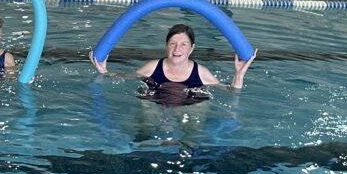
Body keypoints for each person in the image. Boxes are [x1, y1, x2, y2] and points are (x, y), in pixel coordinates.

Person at [90, 23, 255, 101]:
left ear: (191, 48)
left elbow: (231, 93)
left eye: (184, 44)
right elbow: (124, 78)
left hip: (191, 106)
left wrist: (239, 75)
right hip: (156, 103)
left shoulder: (202, 72)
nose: (177, 49)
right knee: (147, 123)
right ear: (166, 47)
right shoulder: (153, 66)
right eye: (173, 44)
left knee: (194, 129)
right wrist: (104, 72)